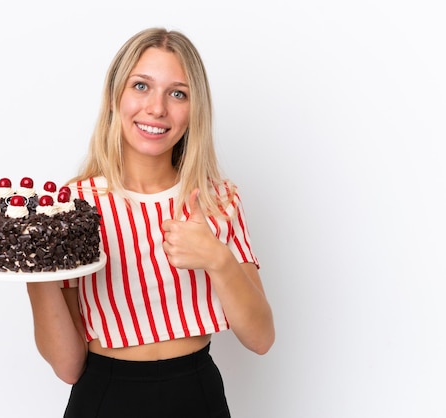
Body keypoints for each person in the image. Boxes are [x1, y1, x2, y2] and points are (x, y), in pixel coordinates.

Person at [26, 27, 275, 418]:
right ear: (114, 96)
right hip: (104, 398)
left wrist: (217, 257)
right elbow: (68, 365)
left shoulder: (216, 200)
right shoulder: (72, 208)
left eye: (178, 93)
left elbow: (261, 338)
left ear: (195, 109)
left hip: (198, 396)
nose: (157, 108)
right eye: (141, 86)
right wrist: (34, 269)